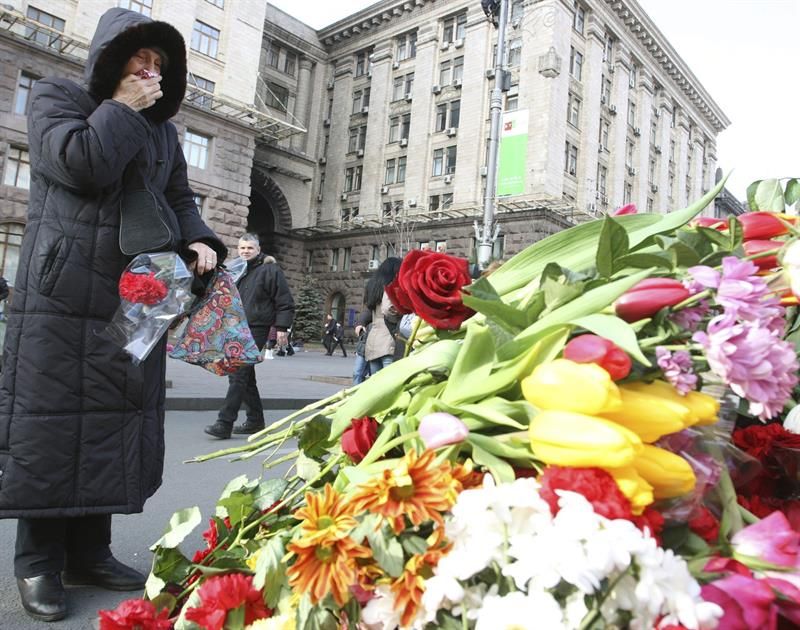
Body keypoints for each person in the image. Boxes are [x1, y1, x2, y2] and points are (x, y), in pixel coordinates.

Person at [0, 7, 227, 622]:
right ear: (109, 59)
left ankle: (90, 553)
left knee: (107, 420)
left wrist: (200, 237)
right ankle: (39, 562)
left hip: (137, 298)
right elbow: (79, 163)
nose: (151, 71)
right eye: (140, 59)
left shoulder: (165, 132)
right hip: (62, 293)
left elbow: (178, 197)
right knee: (51, 422)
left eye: (159, 64)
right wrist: (123, 107)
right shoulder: (57, 97)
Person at [205, 234, 294, 440]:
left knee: (237, 372)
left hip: (257, 326)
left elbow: (284, 300)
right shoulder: (236, 269)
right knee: (245, 375)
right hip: (235, 325)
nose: (245, 251)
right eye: (242, 248)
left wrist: (282, 327)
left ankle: (224, 423)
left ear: (258, 249)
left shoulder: (270, 269)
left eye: (250, 248)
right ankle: (255, 420)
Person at [364, 257, 402, 375]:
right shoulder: (389, 286)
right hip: (387, 339)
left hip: (373, 340)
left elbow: (370, 310)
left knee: (375, 382)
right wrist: (400, 314)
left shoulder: (373, 287)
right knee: (389, 381)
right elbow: (387, 309)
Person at [352, 310, 371, 385]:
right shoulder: (372, 309)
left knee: (374, 374)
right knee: (357, 373)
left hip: (378, 348)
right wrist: (359, 324)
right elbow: (363, 317)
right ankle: (356, 393)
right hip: (364, 346)